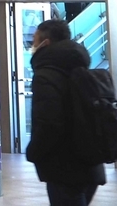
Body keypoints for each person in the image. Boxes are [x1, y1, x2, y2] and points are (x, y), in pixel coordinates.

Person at [26, 18, 106, 206]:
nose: (33, 45)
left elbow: (49, 123)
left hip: (63, 167)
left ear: (46, 43)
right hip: (91, 163)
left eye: (35, 40)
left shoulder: (46, 75)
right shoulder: (82, 69)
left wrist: (34, 152)